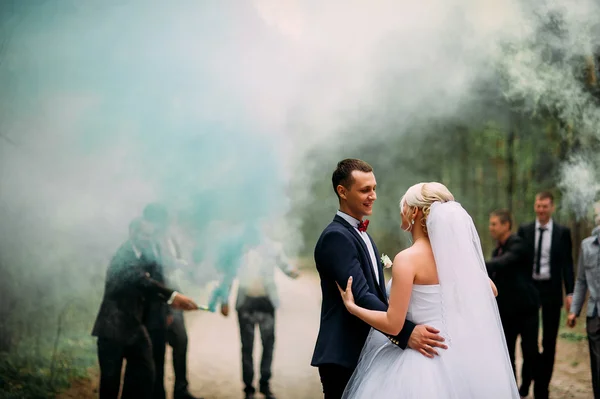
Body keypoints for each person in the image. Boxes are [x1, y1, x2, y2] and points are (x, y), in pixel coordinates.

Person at [337, 182, 519, 398]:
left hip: (420, 359)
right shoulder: (455, 257)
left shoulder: (407, 260)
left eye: (403, 206)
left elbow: (393, 325)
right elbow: (492, 291)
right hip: (457, 354)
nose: (401, 211)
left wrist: (353, 307)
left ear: (414, 211)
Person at [310, 159, 447, 399]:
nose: (373, 195)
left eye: (374, 188)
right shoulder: (336, 237)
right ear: (342, 191)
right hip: (345, 354)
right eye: (365, 190)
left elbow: (378, 293)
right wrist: (406, 332)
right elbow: (362, 296)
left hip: (367, 351)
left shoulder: (362, 235)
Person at [91, 218, 198, 399]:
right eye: (144, 235)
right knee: (110, 384)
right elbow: (142, 281)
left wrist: (174, 300)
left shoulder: (144, 255)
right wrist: (172, 296)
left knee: (145, 373)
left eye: (150, 235)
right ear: (133, 233)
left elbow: (157, 279)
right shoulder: (124, 255)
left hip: (134, 327)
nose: (149, 238)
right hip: (113, 329)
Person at [220, 238, 300, 399]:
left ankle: (265, 385)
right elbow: (228, 274)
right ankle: (248, 388)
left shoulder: (273, 248)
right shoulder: (238, 248)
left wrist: (293, 271)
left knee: (268, 345)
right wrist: (224, 299)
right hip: (245, 303)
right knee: (247, 346)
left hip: (266, 302)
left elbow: (286, 266)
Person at [517, 191, 575, 399]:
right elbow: (518, 261)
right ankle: (526, 380)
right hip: (529, 291)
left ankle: (543, 387)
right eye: (538, 206)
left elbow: (568, 264)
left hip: (551, 291)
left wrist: (570, 292)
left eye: (545, 206)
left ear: (552, 207)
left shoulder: (562, 232)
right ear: (535, 206)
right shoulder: (524, 231)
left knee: (549, 342)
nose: (541, 210)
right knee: (529, 343)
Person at [142, 203, 200, 399]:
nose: (169, 222)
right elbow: (155, 275)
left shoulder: (170, 238)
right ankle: (158, 392)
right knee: (157, 351)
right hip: (158, 303)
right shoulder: (149, 241)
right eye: (165, 219)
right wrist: (166, 309)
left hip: (174, 298)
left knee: (181, 342)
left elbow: (174, 266)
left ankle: (181, 391)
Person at [486, 209, 540, 389]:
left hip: (527, 309)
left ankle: (527, 385)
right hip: (507, 312)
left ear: (506, 225)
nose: (490, 227)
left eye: (494, 224)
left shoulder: (519, 245)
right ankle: (513, 389)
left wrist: (474, 262)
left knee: (530, 351)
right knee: (507, 352)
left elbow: (503, 263)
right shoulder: (496, 251)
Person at [567, 226, 600, 398]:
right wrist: (574, 310)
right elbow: (581, 281)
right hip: (594, 314)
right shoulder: (587, 245)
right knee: (597, 363)